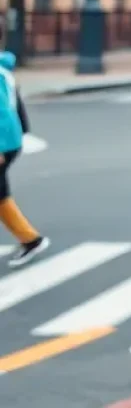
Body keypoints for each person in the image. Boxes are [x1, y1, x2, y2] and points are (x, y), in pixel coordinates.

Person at [0, 51, 49, 267]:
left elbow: (1, 112)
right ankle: (30, 239)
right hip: (10, 141)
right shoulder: (4, 70)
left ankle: (31, 240)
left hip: (5, 143)